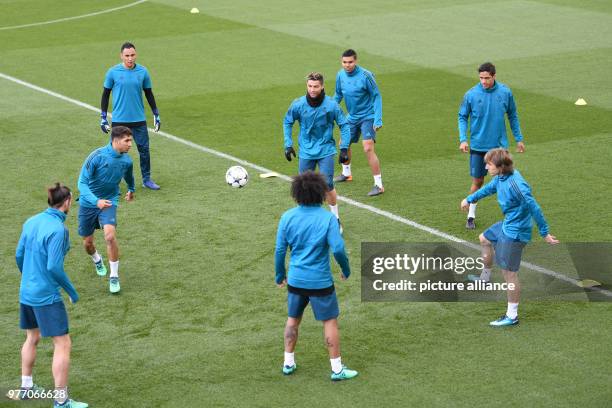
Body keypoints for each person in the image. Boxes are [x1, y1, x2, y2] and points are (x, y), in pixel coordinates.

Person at [461, 148, 559, 326]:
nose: (486, 166)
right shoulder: (500, 177)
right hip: (507, 225)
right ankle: (485, 278)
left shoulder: (517, 185)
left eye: (488, 164)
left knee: (509, 273)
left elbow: (534, 208)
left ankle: (512, 316)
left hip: (516, 232)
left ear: (499, 166)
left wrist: (544, 233)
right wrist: (470, 198)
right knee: (484, 238)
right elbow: (489, 189)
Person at [10, 183, 88, 408]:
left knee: (31, 338)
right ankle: (61, 400)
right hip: (46, 296)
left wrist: (29, 277)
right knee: (62, 343)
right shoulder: (58, 230)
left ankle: (26, 388)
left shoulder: (31, 221)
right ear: (67, 203)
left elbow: (18, 254)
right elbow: (54, 267)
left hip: (26, 291)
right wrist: (71, 291)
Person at [275, 171, 358, 381]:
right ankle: (337, 369)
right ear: (321, 193)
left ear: (296, 194)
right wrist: (346, 269)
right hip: (320, 281)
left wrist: (279, 275)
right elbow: (338, 249)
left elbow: (279, 250)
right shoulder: (328, 218)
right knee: (329, 322)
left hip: (295, 280)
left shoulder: (287, 217)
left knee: (293, 320)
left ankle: (288, 362)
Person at [458, 62, 525, 229]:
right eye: (481, 78)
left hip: (498, 148)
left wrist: (519, 138)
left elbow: (513, 115)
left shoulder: (505, 92)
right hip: (478, 147)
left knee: (506, 181)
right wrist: (463, 139)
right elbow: (462, 117)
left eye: (487, 78)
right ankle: (471, 216)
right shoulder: (471, 94)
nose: (483, 81)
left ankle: (513, 215)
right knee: (478, 181)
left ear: (494, 76)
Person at [283, 72, 350, 229]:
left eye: (316, 86)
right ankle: (306, 219)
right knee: (303, 187)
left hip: (326, 149)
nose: (312, 89)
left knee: (327, 184)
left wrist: (344, 148)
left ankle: (335, 218)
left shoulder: (331, 105)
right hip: (306, 151)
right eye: (310, 86)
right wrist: (288, 144)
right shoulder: (298, 104)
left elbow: (344, 125)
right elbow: (287, 122)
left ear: (322, 86)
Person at [78, 126, 135, 294]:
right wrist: (96, 201)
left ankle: (114, 276)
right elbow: (81, 183)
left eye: (130, 140)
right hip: (89, 202)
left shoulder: (127, 161)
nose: (130, 144)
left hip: (110, 201)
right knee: (88, 243)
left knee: (110, 236)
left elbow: (129, 176)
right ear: (115, 141)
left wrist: (131, 189)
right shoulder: (97, 156)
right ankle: (97, 259)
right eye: (127, 141)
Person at [100, 41, 161, 190]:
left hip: (139, 119)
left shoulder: (143, 72)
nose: (130, 58)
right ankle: (112, 183)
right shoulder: (112, 72)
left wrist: (156, 113)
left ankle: (146, 179)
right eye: (127, 55)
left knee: (144, 150)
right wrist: (103, 117)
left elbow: (149, 93)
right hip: (119, 120)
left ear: (136, 55)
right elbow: (105, 95)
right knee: (116, 152)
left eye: (132, 55)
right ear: (121, 56)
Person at [333, 49, 384, 196]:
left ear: (356, 61)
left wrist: (378, 118)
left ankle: (379, 185)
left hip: (368, 116)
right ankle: (346, 173)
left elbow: (376, 96)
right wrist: (329, 109)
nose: (347, 65)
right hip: (352, 117)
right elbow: (338, 94)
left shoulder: (365, 75)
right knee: (343, 143)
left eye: (350, 62)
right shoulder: (340, 75)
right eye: (344, 62)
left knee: (368, 148)